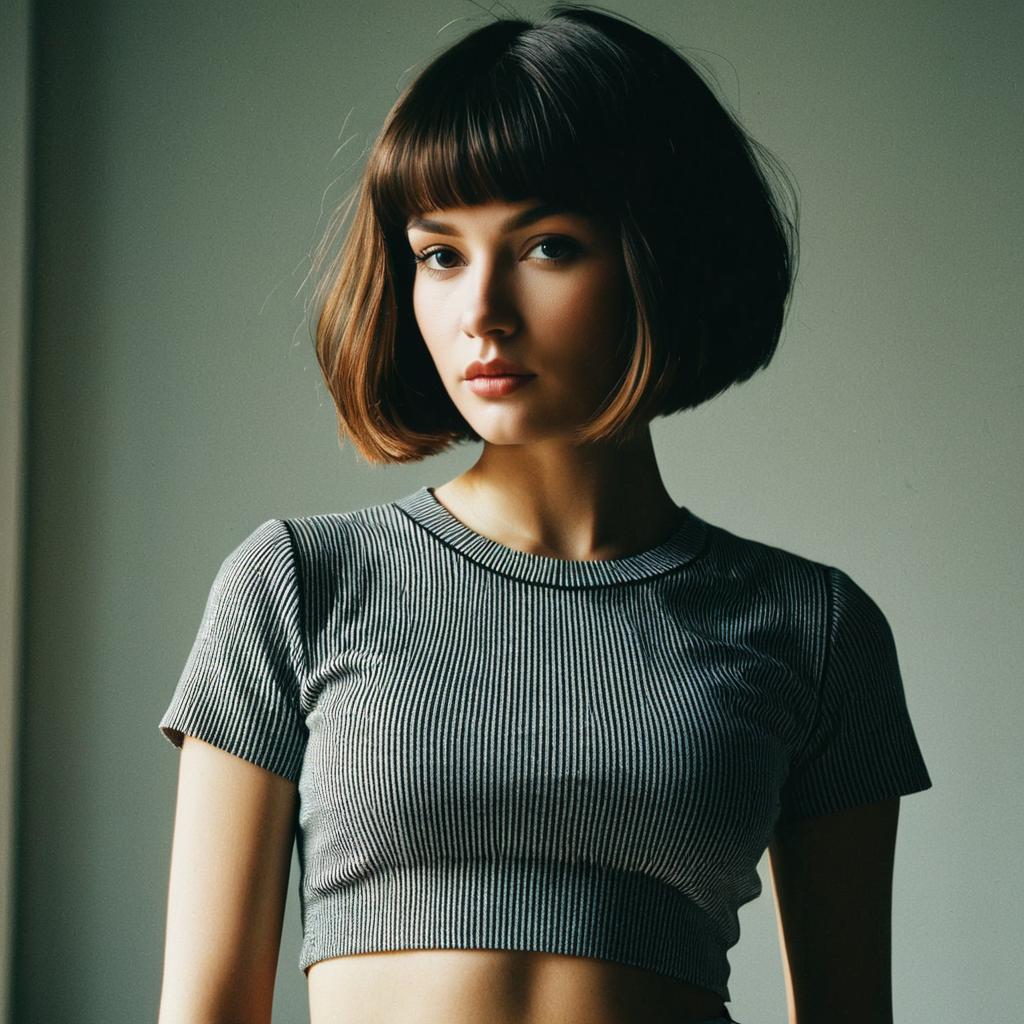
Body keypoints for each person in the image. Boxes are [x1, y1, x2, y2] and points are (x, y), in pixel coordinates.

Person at [156, 5, 933, 1023]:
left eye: (547, 246)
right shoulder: (296, 583)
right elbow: (204, 1009)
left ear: (666, 258)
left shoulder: (815, 628)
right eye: (439, 253)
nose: (480, 307)